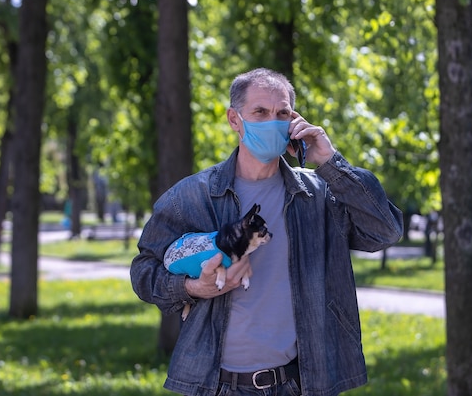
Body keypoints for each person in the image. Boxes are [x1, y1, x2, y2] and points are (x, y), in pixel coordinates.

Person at [130, 68, 403, 396]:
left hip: (299, 384)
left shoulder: (319, 195)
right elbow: (144, 272)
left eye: (282, 113)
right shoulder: (192, 196)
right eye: (260, 112)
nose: (273, 121)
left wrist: (329, 162)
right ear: (235, 119)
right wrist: (193, 287)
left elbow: (385, 231)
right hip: (218, 386)